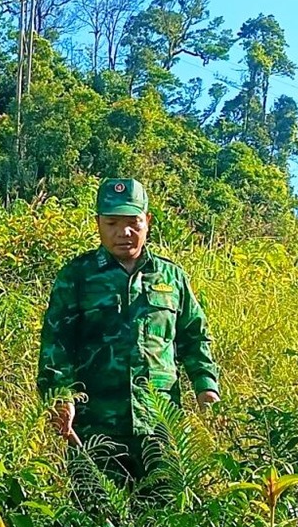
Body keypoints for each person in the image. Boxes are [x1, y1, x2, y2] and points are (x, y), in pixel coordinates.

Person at [38, 176, 219, 484]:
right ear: (97, 223)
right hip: (96, 426)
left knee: (165, 516)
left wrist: (206, 386)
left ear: (147, 220)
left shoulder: (171, 278)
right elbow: (57, 343)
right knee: (97, 517)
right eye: (111, 223)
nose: (123, 233)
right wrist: (61, 396)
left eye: (133, 222)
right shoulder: (77, 277)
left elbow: (193, 335)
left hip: (161, 423)